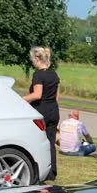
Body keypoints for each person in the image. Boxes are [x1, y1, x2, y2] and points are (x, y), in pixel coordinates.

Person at [22, 46, 60, 180]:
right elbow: (56, 97)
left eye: (33, 59)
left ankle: (37, 169)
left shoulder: (38, 75)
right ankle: (52, 172)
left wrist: (21, 99)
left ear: (37, 59)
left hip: (41, 110)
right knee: (50, 142)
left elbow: (37, 95)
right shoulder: (54, 74)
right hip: (54, 110)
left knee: (36, 142)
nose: (32, 62)